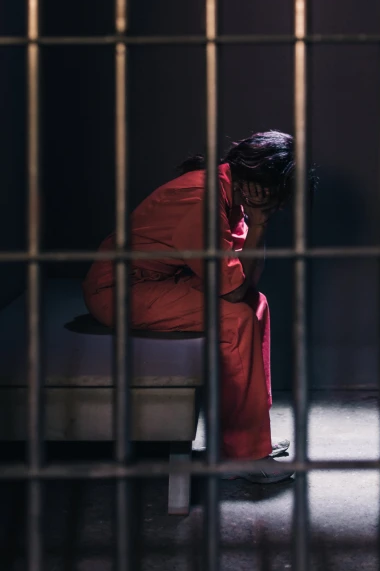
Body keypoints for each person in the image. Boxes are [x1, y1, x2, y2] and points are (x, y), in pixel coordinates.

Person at [82, 130, 317, 484]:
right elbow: (233, 291)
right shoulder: (202, 199)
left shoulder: (228, 193)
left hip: (158, 282)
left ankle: (248, 440)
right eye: (281, 196)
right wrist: (261, 223)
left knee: (258, 305)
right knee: (236, 317)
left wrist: (256, 225)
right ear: (259, 182)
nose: (282, 206)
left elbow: (249, 282)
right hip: (119, 290)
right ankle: (243, 456)